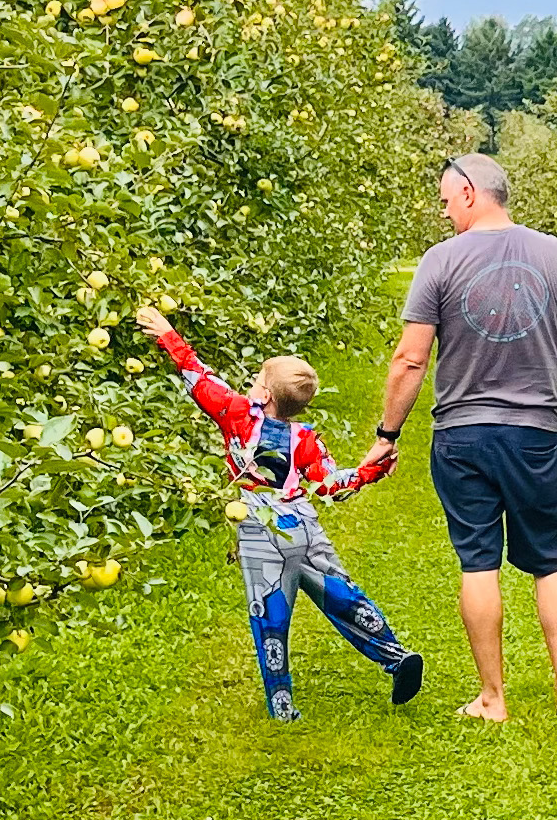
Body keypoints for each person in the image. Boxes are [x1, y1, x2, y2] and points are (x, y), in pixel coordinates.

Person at [362, 152, 557, 720]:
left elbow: (411, 360)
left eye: (445, 201)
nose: (444, 213)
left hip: (463, 435)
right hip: (537, 434)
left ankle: (493, 698)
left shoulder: (439, 263)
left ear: (469, 193)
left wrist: (388, 433)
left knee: (478, 562)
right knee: (551, 561)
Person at [135, 305, 424, 721]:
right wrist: (373, 469)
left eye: (256, 380)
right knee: (339, 591)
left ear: (264, 395)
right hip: (300, 523)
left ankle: (282, 702)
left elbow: (198, 376)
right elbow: (329, 486)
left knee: (268, 610)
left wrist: (167, 334)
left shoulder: (235, 415)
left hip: (256, 524)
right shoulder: (304, 439)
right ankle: (396, 657)